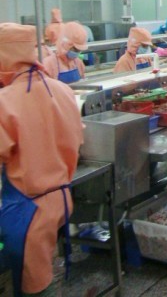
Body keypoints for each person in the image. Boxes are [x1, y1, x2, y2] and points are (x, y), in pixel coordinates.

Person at [0, 23, 84, 295]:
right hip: (60, 200)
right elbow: (77, 139)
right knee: (43, 269)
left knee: (34, 287)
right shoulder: (62, 90)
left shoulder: (6, 101)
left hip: (27, 211)